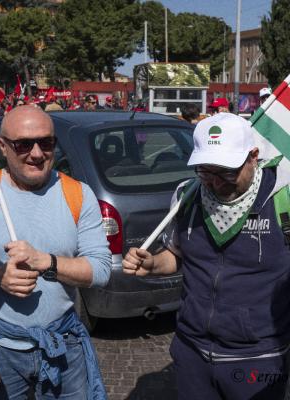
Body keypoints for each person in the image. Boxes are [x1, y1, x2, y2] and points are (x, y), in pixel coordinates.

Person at [123, 112, 290, 400]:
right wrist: (151, 264)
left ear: (253, 156)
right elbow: (176, 255)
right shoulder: (186, 197)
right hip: (193, 354)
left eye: (227, 171)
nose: (216, 183)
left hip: (258, 358)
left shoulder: (281, 199)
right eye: (205, 171)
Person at [0, 105, 111, 399]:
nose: (37, 154)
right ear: (2, 147)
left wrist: (45, 263)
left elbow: (99, 271)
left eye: (46, 142)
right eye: (23, 144)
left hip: (64, 345)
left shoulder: (78, 193)